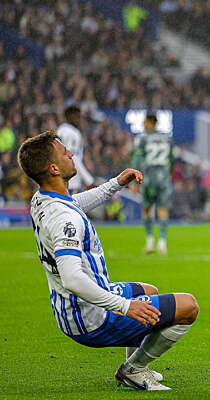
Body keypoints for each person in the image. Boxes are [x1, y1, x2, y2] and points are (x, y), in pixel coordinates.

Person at [18, 131, 198, 391]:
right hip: (90, 317)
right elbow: (72, 278)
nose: (71, 154)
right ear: (54, 168)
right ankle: (132, 371)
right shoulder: (65, 220)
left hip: (69, 309)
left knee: (149, 291)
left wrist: (115, 183)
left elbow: (75, 203)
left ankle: (137, 366)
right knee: (188, 307)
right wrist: (125, 306)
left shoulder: (42, 199)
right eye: (64, 152)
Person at [131, 113, 173, 254]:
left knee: (147, 208)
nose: (143, 124)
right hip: (164, 177)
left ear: (150, 122)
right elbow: (172, 159)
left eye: (145, 122)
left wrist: (133, 180)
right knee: (163, 209)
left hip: (149, 177)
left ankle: (149, 241)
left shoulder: (142, 138)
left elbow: (137, 158)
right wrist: (169, 174)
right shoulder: (167, 138)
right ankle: (162, 242)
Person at [57, 105, 94, 195]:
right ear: (69, 118)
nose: (79, 120)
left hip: (60, 181)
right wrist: (89, 181)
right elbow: (72, 158)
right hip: (71, 183)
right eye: (77, 117)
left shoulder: (60, 130)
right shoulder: (72, 133)